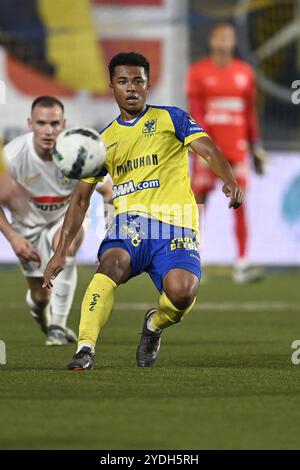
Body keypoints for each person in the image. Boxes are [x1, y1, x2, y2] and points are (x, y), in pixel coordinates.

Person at [43, 52, 243, 370]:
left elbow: (207, 147)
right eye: (123, 81)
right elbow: (80, 200)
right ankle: (85, 348)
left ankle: (154, 325)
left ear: (148, 84)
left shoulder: (171, 118)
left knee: (181, 294)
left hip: (176, 227)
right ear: (112, 86)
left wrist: (229, 180)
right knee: (111, 263)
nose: (131, 87)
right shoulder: (102, 142)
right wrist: (61, 252)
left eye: (138, 80)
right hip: (131, 224)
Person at [1, 96, 91, 346]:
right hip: (26, 227)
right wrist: (13, 238)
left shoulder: (76, 154)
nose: (48, 130)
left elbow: (103, 187)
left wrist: (112, 205)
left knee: (67, 244)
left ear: (64, 124)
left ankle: (58, 327)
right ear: (30, 123)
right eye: (41, 123)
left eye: (54, 123)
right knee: (41, 297)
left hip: (63, 217)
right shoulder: (12, 156)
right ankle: (46, 321)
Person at [186, 21, 268, 283]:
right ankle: (193, 259)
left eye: (228, 37)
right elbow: (196, 111)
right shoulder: (198, 72)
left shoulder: (244, 72)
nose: (224, 41)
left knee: (240, 203)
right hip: (209, 150)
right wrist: (199, 144)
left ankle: (242, 264)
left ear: (233, 42)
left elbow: (249, 113)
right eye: (220, 36)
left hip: (237, 149)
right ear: (212, 40)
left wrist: (255, 146)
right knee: (198, 202)